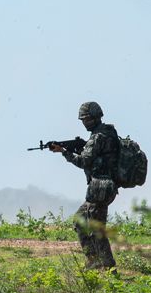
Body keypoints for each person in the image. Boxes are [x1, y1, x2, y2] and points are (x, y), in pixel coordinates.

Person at [49, 101, 120, 269]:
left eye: (87, 119)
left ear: (96, 118)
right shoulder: (108, 133)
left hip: (100, 188)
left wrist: (64, 152)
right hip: (103, 187)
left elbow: (83, 162)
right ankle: (93, 261)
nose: (84, 123)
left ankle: (108, 266)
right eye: (83, 120)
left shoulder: (98, 137)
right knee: (80, 220)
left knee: (96, 229)